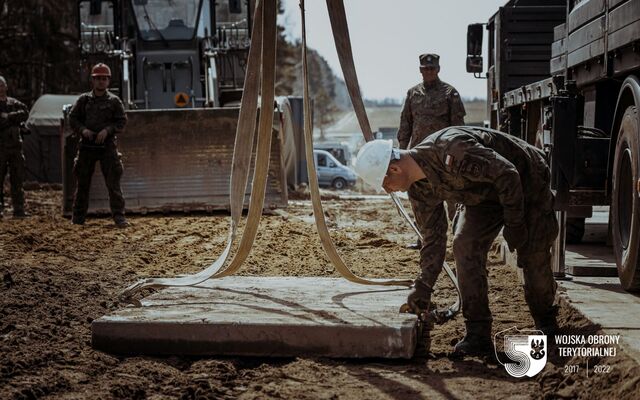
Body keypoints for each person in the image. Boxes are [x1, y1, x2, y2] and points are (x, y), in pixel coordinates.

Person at [353, 126, 559, 356]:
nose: (387, 190)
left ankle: (547, 323)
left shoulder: (451, 149)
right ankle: (478, 334)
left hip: (527, 179)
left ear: (394, 168)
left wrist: (515, 225)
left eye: (384, 184)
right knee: (464, 246)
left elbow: (507, 174)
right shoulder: (419, 189)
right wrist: (423, 286)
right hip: (484, 195)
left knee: (532, 253)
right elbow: (433, 237)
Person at [398, 53, 466, 246]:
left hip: (444, 158)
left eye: (432, 68)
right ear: (420, 70)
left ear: (438, 69)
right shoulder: (413, 94)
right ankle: (423, 239)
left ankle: (458, 240)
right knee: (421, 201)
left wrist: (457, 155)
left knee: (452, 198)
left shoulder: (449, 93)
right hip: (418, 159)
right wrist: (400, 153)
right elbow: (405, 125)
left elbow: (458, 127)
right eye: (425, 68)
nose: (428, 71)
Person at [69, 63, 128, 227]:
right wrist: (83, 130)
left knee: (113, 184)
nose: (101, 82)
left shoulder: (115, 101)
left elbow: (122, 121)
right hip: (87, 147)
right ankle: (78, 218)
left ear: (108, 81)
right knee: (82, 185)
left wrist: (107, 131)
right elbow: (72, 119)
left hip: (107, 147)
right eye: (98, 79)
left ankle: (119, 217)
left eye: (104, 79)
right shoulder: (83, 100)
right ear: (92, 81)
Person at [0, 76, 29, 218]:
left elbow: (25, 113)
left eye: (2, 85)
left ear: (6, 87)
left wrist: (9, 117)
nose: (0, 88)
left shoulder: (14, 103)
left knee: (17, 179)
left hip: (16, 148)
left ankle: (19, 209)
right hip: (1, 148)